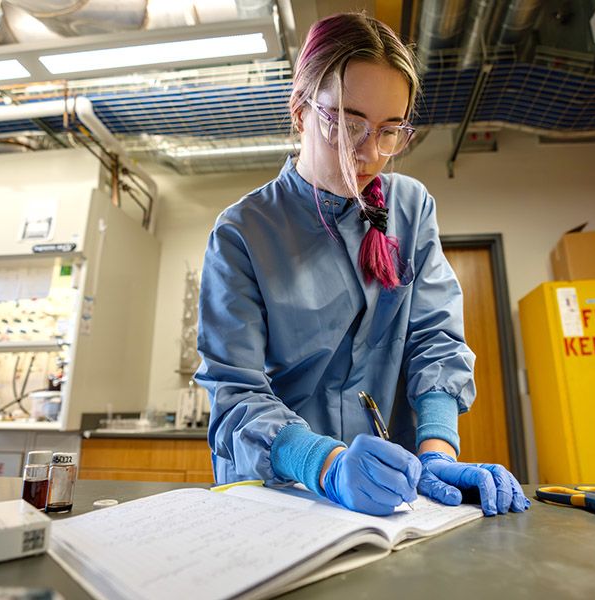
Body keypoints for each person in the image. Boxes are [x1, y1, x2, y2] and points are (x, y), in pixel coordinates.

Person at [195, 12, 530, 517]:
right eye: (346, 124)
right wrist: (324, 463)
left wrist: (437, 448)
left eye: (390, 130)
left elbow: (434, 339)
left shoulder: (409, 210)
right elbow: (235, 394)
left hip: (392, 496)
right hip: (283, 492)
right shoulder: (242, 232)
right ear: (302, 111)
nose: (369, 152)